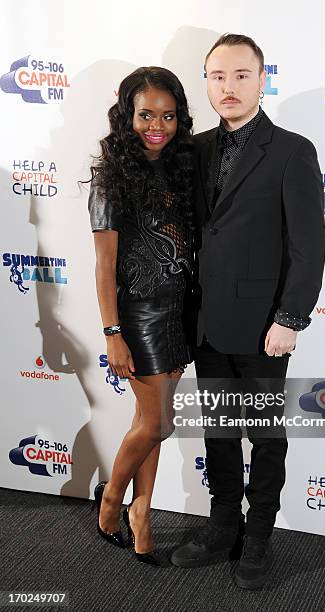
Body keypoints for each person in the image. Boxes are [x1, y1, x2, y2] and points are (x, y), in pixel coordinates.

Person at [171, 34, 325, 589]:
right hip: (207, 322)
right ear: (206, 82)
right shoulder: (194, 149)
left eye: (241, 75)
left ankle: (258, 532)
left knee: (263, 433)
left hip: (264, 327)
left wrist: (291, 318)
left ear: (263, 80)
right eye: (217, 76)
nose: (228, 87)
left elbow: (309, 245)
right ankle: (222, 523)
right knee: (218, 430)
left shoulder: (291, 150)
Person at [87, 66, 194, 565]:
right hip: (141, 317)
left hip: (182, 312)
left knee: (147, 422)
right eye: (146, 114)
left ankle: (142, 513)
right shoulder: (111, 179)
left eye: (168, 115)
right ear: (127, 114)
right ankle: (111, 499)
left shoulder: (182, 168)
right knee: (158, 425)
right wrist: (113, 333)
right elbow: (105, 266)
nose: (158, 125)